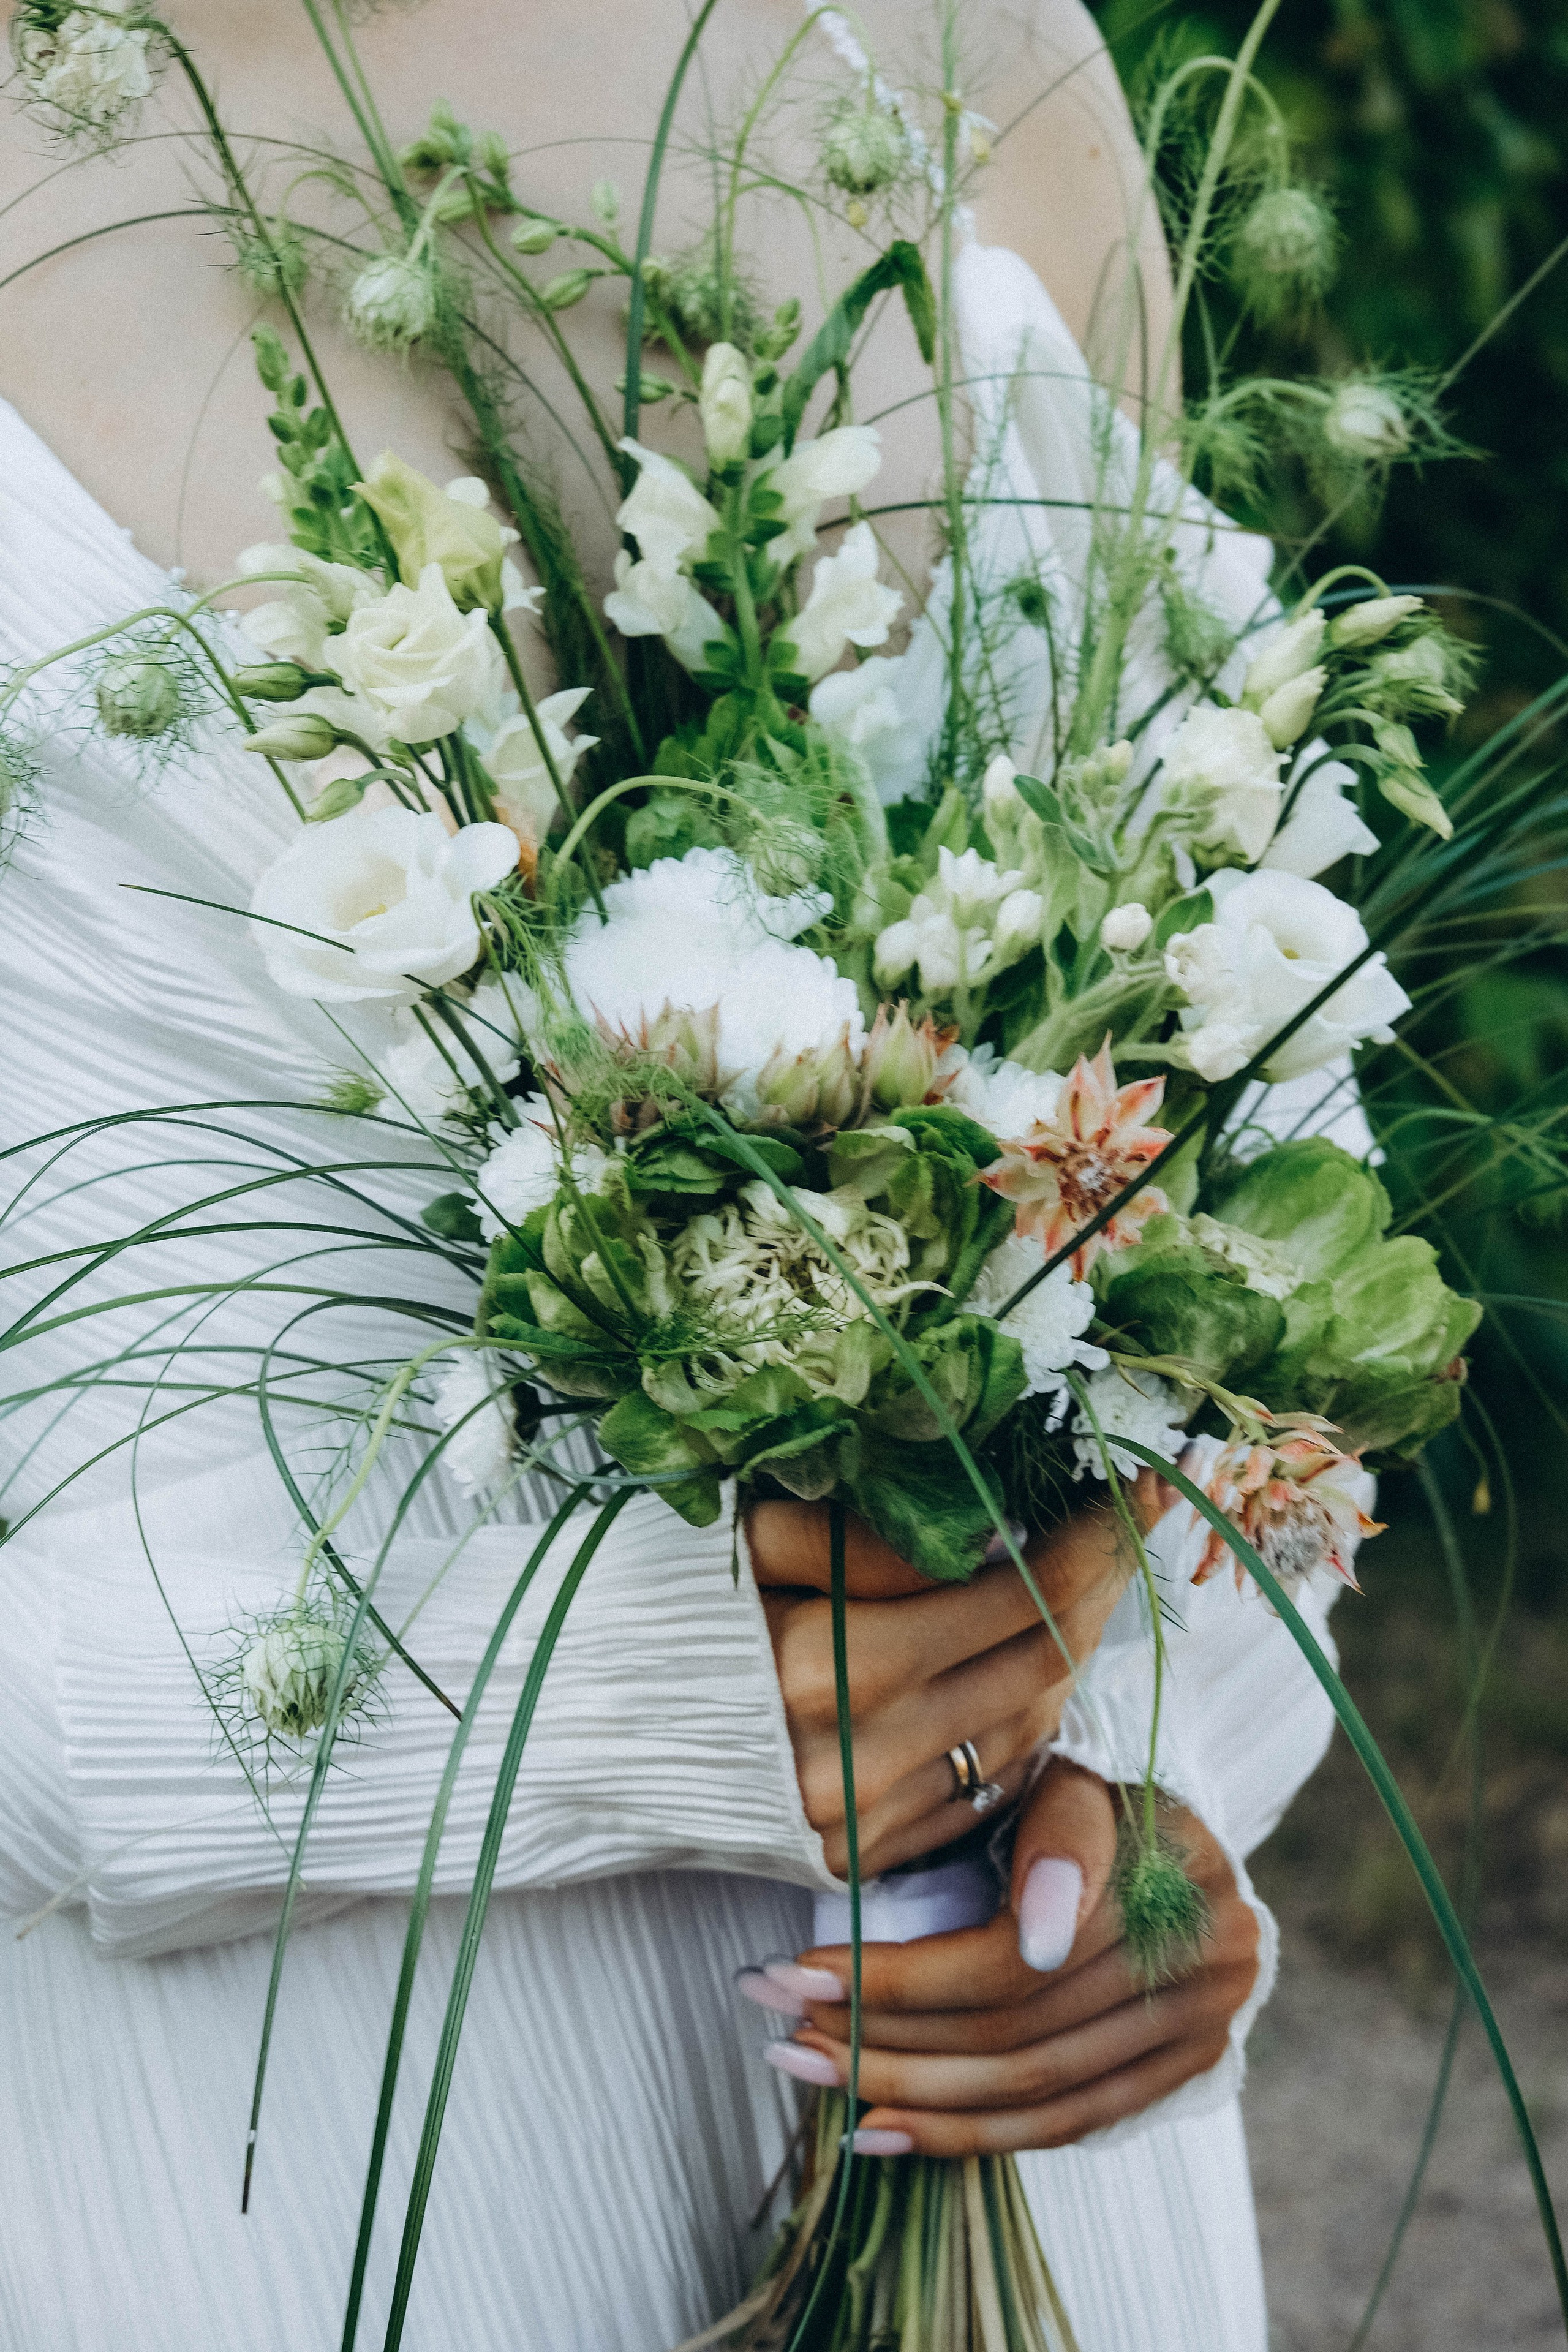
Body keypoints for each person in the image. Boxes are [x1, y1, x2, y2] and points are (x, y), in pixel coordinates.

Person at [0, 4, 1345, 2345]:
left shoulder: (962, 38)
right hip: (278, 2176)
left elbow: (1263, 1151)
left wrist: (1154, 1806)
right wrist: (645, 1686)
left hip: (1022, 2128)